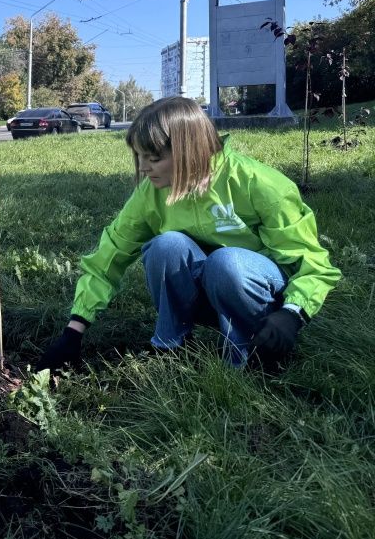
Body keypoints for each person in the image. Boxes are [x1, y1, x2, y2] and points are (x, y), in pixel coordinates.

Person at [36, 96, 340, 373]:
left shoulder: (258, 183)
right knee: (165, 245)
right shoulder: (150, 195)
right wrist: (73, 331)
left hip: (259, 299)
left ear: (189, 152)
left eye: (154, 159)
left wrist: (293, 312)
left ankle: (251, 354)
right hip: (207, 292)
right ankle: (171, 346)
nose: (143, 168)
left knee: (226, 262)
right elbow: (109, 256)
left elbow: (313, 263)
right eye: (139, 157)